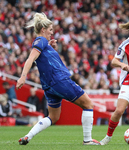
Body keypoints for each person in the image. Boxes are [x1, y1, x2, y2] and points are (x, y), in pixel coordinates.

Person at [16, 13, 100, 145]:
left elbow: (43, 56)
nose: (52, 33)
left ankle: (28, 136)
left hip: (49, 86)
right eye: (50, 30)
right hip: (59, 81)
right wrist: (23, 76)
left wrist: (49, 45)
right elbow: (30, 58)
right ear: (43, 30)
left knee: (53, 117)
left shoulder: (43, 43)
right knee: (88, 104)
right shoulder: (40, 40)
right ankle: (88, 140)